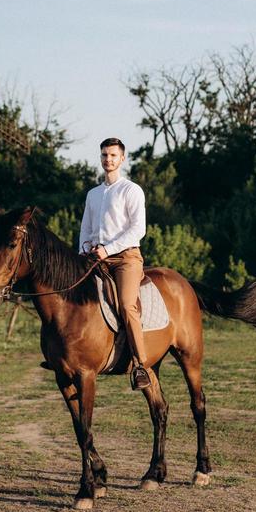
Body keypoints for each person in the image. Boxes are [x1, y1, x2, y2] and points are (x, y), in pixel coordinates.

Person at [79, 137, 150, 390]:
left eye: (112, 155)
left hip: (125, 259)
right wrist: (83, 251)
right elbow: (85, 229)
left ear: (122, 159)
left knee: (127, 305)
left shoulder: (131, 190)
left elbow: (137, 229)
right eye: (104, 155)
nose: (108, 159)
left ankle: (140, 366)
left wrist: (107, 249)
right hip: (96, 257)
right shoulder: (93, 194)